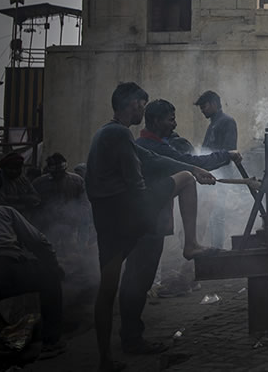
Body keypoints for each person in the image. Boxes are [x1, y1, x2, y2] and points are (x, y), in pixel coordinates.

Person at [87, 82, 218, 370]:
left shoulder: (106, 132)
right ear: (133, 103)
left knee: (107, 292)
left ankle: (105, 359)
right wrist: (152, 207)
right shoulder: (119, 132)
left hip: (107, 221)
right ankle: (191, 244)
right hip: (130, 210)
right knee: (184, 178)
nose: (142, 111)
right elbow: (137, 176)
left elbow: (149, 157)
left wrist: (196, 167)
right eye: (141, 106)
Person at [118, 99, 239, 355]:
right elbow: (185, 163)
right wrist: (227, 155)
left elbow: (184, 161)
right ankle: (130, 338)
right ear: (154, 121)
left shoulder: (155, 145)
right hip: (144, 223)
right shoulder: (148, 146)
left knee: (141, 278)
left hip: (151, 222)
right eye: (170, 119)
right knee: (137, 280)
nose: (174, 123)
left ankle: (131, 334)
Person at [0, 166, 66, 360]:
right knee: (50, 279)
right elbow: (39, 242)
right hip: (8, 264)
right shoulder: (4, 211)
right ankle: (51, 342)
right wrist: (54, 266)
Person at [195, 90, 238, 249]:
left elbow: (229, 151)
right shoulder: (213, 123)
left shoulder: (227, 121)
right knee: (212, 212)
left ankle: (217, 248)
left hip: (221, 175)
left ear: (213, 104)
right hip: (211, 174)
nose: (202, 110)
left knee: (217, 213)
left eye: (204, 106)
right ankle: (215, 246)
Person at [31, 152, 87, 250]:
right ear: (49, 169)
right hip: (47, 226)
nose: (58, 175)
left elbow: (84, 204)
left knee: (70, 253)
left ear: (64, 167)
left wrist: (79, 219)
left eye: (60, 171)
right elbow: (34, 207)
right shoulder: (39, 183)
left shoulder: (77, 181)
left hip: (70, 226)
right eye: (55, 172)